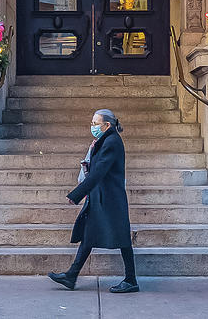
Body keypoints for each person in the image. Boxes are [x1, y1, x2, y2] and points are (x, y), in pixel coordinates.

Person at [48, 109, 139, 293]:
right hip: (102, 197)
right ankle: (71, 275)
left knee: (122, 239)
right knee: (89, 235)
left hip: (110, 199)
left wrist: (76, 194)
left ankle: (131, 280)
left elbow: (99, 173)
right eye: (92, 123)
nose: (92, 127)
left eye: (96, 124)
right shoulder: (104, 141)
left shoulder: (111, 142)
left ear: (107, 125)